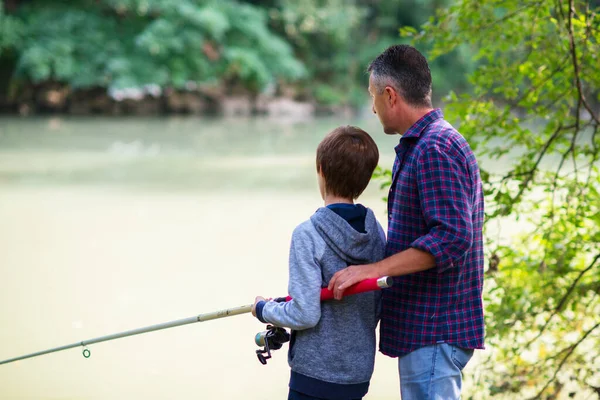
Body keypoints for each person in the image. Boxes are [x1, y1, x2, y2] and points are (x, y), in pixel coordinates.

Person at [327, 44, 485, 399]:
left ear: (390, 95)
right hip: (427, 329)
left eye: (373, 97)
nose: (372, 107)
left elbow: (453, 238)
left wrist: (372, 270)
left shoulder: (434, 148)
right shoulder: (423, 143)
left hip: (435, 328)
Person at [251, 126, 386, 400]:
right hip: (357, 375)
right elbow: (376, 307)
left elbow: (305, 314)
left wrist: (264, 309)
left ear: (321, 169)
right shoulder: (375, 232)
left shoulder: (308, 234)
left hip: (314, 377)